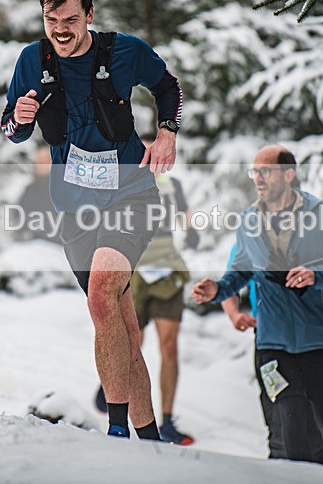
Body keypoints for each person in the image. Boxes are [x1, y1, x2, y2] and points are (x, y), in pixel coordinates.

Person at [0, 0, 182, 441]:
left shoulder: (123, 52)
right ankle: (149, 438)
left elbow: (169, 88)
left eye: (70, 19)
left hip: (130, 195)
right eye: (51, 19)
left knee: (102, 292)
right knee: (118, 324)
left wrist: (166, 132)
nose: (60, 30)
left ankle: (116, 430)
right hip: (75, 210)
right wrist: (18, 121)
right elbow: (10, 126)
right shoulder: (31, 60)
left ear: (90, 16)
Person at [192, 144, 323, 467]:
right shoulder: (249, 220)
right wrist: (216, 289)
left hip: (320, 341)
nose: (257, 178)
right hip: (273, 344)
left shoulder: (322, 215)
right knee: (291, 423)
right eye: (254, 171)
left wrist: (317, 275)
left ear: (288, 174)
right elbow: (240, 272)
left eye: (265, 171)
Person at [94, 134, 197, 445]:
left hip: (167, 268)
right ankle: (114, 390)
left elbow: (185, 214)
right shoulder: (122, 181)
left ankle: (167, 419)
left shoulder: (172, 184)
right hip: (133, 268)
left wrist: (192, 231)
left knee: (169, 346)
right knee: (126, 336)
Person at [221, 241, 323, 463]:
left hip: (313, 345)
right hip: (270, 343)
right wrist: (234, 314)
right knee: (281, 424)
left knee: (315, 430)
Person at [16, 144, 61, 243]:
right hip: (35, 243)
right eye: (39, 162)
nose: (41, 166)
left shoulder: (63, 189)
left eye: (45, 162)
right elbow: (19, 217)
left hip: (60, 246)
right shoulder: (30, 190)